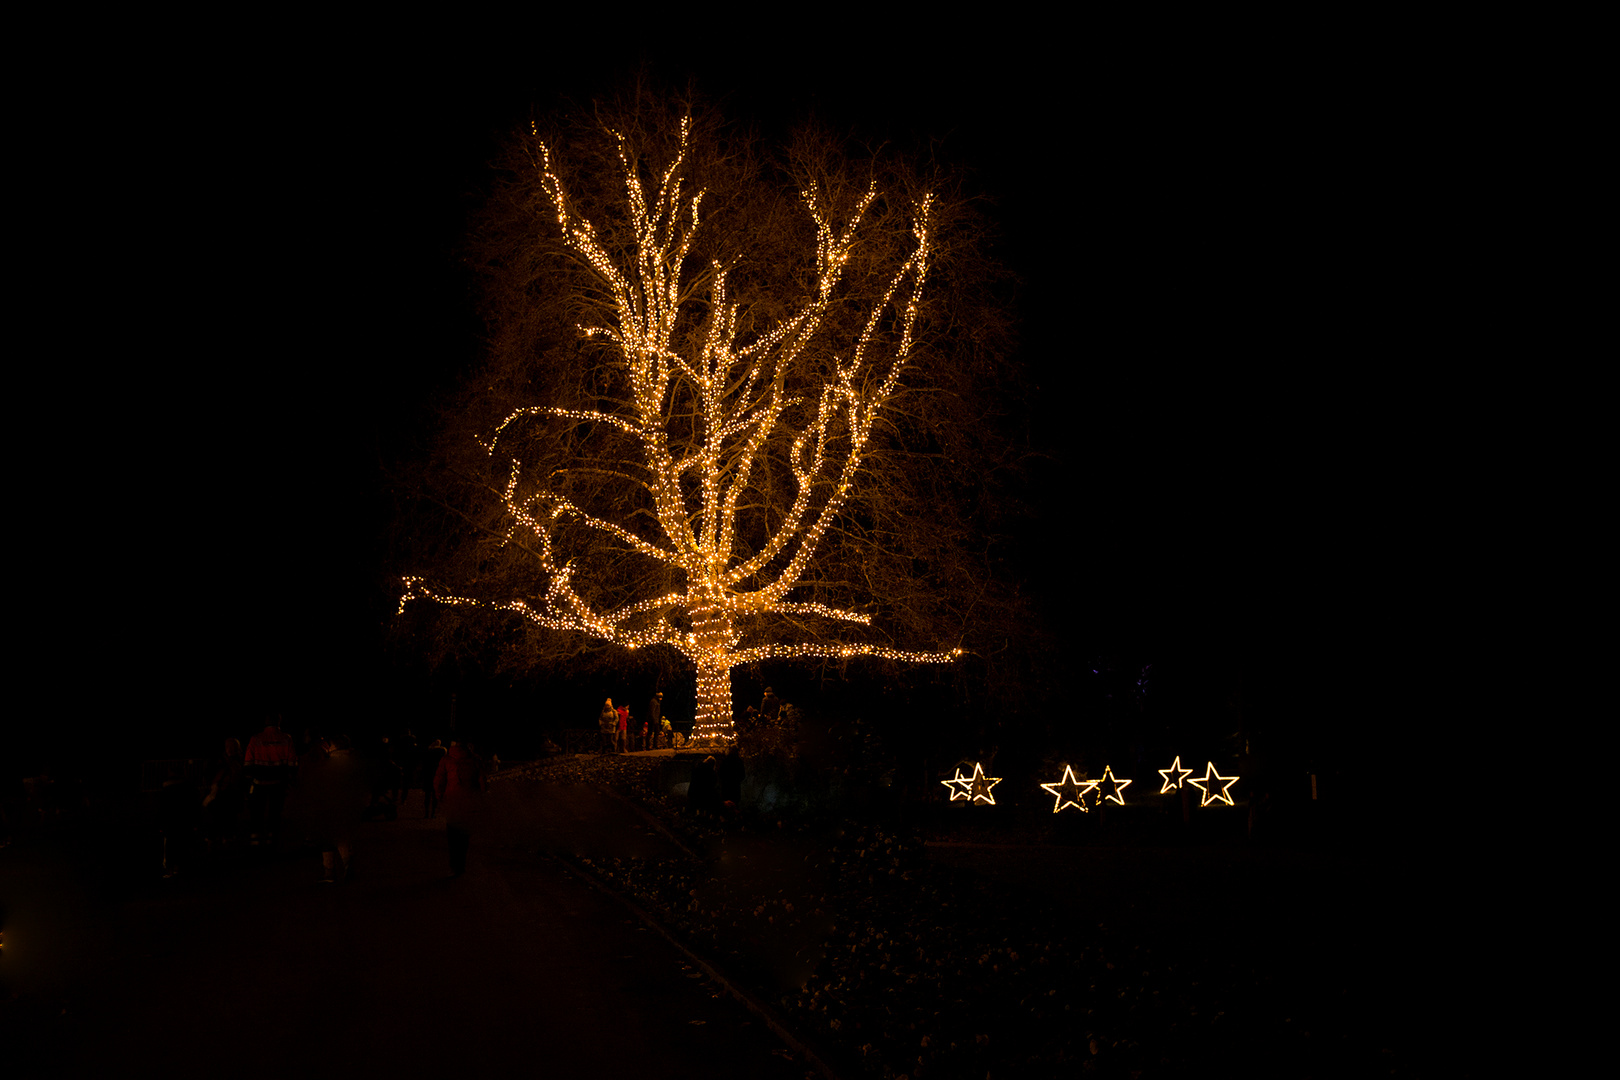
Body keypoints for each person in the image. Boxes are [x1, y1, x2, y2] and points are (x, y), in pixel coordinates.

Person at [433, 740, 485, 877]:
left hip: (451, 800)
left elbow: (439, 779)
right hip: (469, 801)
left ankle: (453, 863)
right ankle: (461, 864)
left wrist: (440, 796)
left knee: (452, 834)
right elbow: (482, 782)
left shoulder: (446, 759)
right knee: (464, 836)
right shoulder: (475, 760)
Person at [244, 716, 298, 847]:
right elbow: (292, 762)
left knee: (257, 809)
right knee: (275, 810)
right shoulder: (286, 738)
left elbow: (248, 762)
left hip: (259, 781)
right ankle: (271, 837)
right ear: (279, 722)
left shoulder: (256, 738)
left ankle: (255, 837)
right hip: (278, 782)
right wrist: (289, 777)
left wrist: (251, 776)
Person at [420, 739, 447, 818]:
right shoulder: (441, 753)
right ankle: (433, 813)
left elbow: (424, 765)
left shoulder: (428, 753)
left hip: (428, 775)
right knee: (434, 795)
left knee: (427, 795)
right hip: (437, 775)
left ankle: (426, 812)